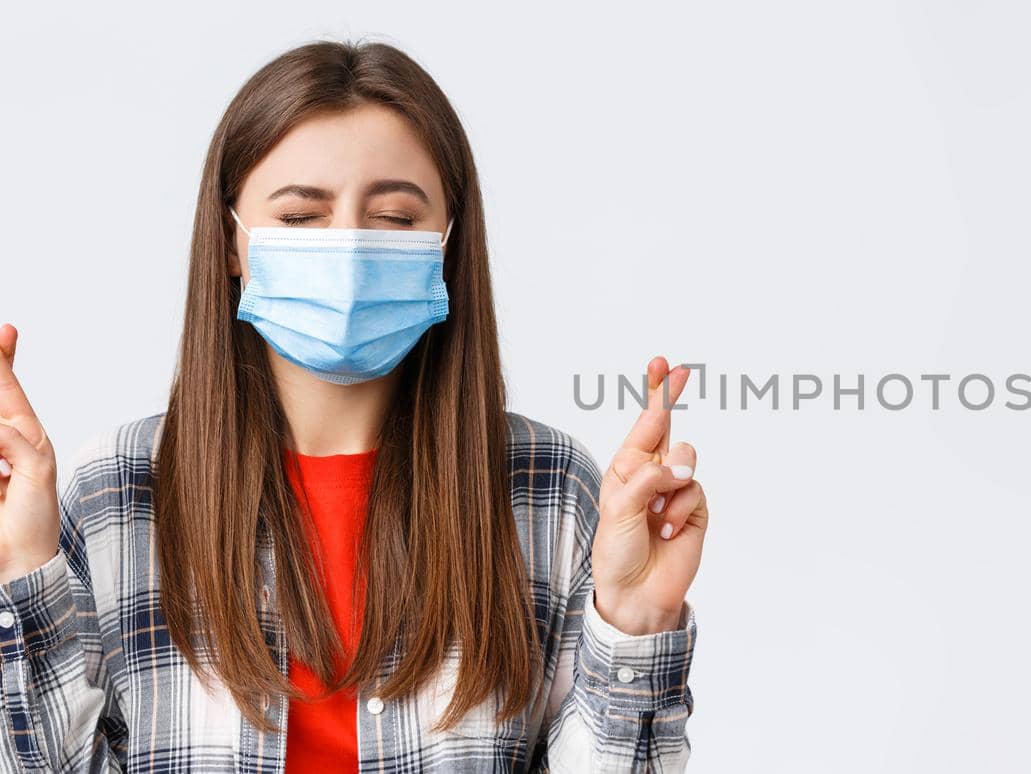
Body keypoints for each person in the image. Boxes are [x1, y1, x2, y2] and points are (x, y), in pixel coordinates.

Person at [0, 39, 706, 773]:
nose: (350, 248)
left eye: (396, 218)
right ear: (231, 242)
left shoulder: (548, 489)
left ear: (447, 242)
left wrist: (637, 619)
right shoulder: (116, 490)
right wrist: (20, 560)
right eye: (302, 218)